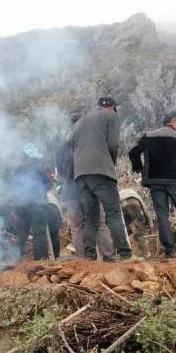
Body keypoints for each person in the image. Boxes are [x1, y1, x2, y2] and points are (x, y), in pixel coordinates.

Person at [128, 112, 176, 258]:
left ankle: (169, 250)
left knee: (162, 215)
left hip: (155, 181)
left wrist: (138, 166)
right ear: (174, 121)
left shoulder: (148, 135)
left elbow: (133, 152)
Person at [71, 96, 132, 260]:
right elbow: (113, 144)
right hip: (101, 172)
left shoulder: (79, 122)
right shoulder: (111, 116)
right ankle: (125, 254)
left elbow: (72, 145)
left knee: (90, 217)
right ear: (112, 107)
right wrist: (110, 164)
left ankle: (90, 255)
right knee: (113, 213)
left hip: (81, 175)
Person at [55, 111, 115, 260]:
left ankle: (84, 260)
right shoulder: (92, 143)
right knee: (99, 224)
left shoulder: (62, 147)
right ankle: (108, 257)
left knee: (77, 227)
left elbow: (60, 172)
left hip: (70, 192)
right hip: (90, 188)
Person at [11, 142, 51, 261]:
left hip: (21, 205)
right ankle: (41, 259)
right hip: (37, 204)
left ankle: (16, 259)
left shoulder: (18, 169)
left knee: (22, 232)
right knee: (39, 232)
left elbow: (13, 188)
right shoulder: (39, 168)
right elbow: (48, 184)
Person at [119, 189, 151, 258]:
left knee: (122, 228)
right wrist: (147, 225)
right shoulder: (135, 197)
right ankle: (145, 253)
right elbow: (145, 214)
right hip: (133, 201)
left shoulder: (121, 193)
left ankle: (123, 254)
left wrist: (129, 233)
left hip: (120, 203)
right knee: (141, 227)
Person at [46, 191, 63, 259]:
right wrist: (60, 221)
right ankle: (56, 256)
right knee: (55, 236)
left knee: (46, 236)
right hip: (55, 212)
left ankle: (49, 257)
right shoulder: (51, 195)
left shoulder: (37, 196)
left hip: (48, 210)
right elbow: (59, 208)